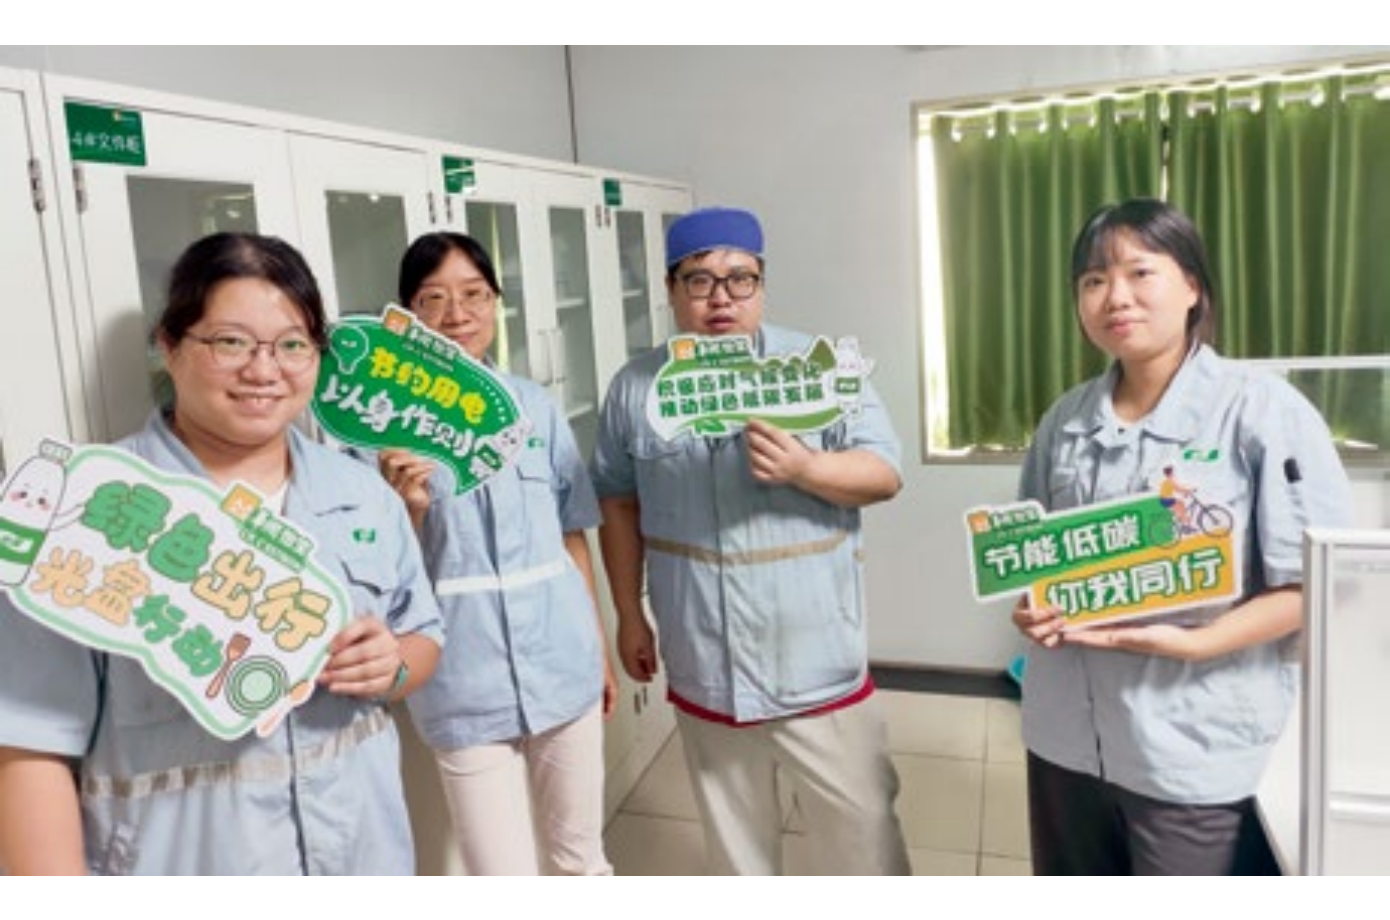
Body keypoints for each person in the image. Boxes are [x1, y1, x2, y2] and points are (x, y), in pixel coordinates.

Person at [0, 231, 444, 875]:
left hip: (363, 857)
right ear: (169, 344)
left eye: (292, 344)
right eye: (231, 342)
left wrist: (393, 665)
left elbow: (423, 635)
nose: (264, 371)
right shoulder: (85, 513)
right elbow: (28, 747)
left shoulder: (362, 493)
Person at [1011, 198, 1354, 875]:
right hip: (1064, 740)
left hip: (1191, 745)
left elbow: (1319, 585)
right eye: (1093, 280)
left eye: (1140, 272)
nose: (1116, 296)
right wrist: (1032, 606)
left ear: (1193, 285)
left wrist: (1197, 643)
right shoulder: (1064, 421)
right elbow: (1034, 560)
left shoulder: (1262, 410)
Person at [590, 206, 911, 875]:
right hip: (706, 659)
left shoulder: (816, 370)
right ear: (671, 289)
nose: (721, 298)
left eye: (741, 279)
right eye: (699, 280)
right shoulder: (636, 389)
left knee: (864, 844)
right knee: (737, 854)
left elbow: (884, 473)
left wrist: (807, 467)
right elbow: (618, 502)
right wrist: (628, 613)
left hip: (815, 661)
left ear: (762, 285)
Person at [374, 231, 617, 875]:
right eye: (433, 298)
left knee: (582, 862)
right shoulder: (379, 426)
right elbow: (373, 575)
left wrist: (598, 648)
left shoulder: (535, 407)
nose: (457, 314)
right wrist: (408, 507)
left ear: (495, 303)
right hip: (461, 680)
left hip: (564, 663)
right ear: (406, 317)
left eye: (475, 294)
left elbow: (572, 534)